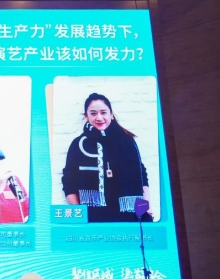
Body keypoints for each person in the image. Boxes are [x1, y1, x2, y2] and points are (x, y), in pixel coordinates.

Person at [61, 93, 152, 222]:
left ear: (111, 114)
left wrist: (146, 208)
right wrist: (79, 214)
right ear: (86, 116)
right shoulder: (79, 144)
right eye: (93, 113)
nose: (99, 118)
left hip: (129, 214)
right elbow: (69, 181)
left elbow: (141, 175)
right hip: (93, 215)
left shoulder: (127, 141)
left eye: (103, 112)